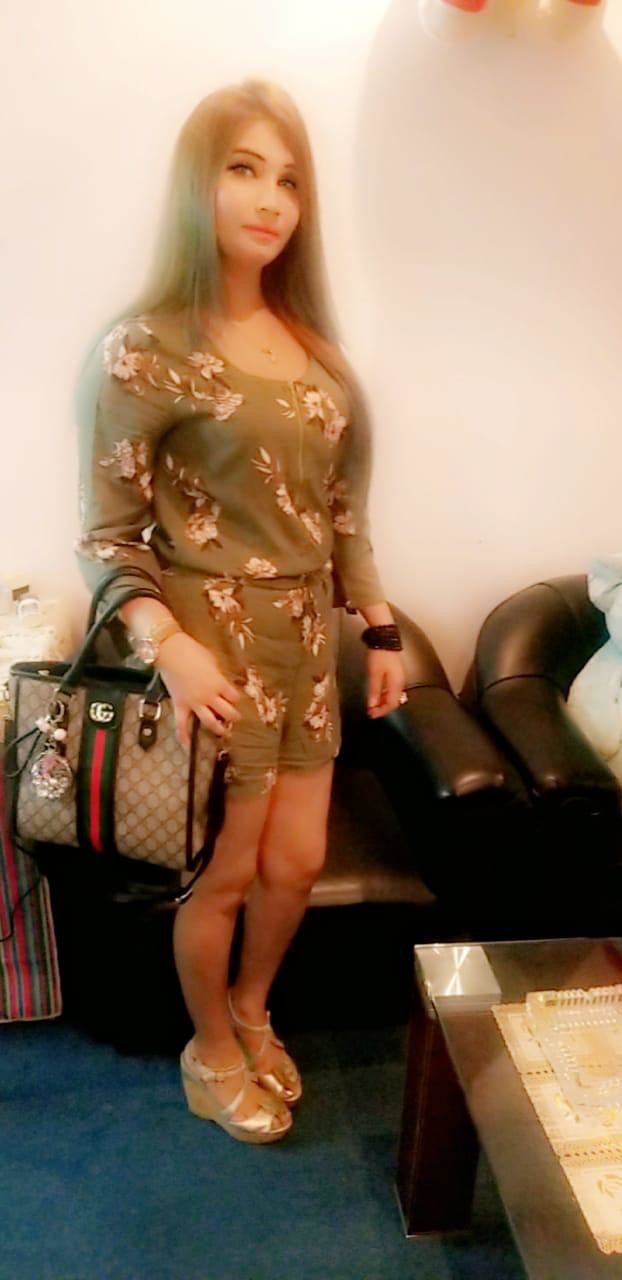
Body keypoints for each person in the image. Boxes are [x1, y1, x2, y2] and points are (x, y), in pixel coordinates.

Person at [75, 79, 406, 1144]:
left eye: (290, 180)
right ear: (198, 183)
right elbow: (108, 537)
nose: (271, 200)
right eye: (244, 169)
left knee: (296, 863)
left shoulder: (313, 350)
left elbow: (341, 511)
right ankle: (209, 1045)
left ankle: (254, 1007)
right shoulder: (146, 346)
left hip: (307, 644)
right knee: (221, 876)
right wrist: (167, 645)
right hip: (211, 649)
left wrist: (379, 626)